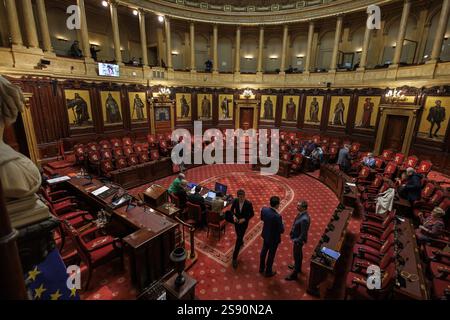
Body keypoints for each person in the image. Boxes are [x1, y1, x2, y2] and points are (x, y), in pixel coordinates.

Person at [260, 196, 284, 277]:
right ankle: (268, 271)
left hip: (265, 235)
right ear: (277, 205)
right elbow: (282, 230)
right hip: (273, 239)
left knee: (263, 251)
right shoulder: (277, 216)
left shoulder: (264, 209)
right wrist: (282, 223)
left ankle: (261, 268)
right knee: (271, 255)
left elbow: (262, 219)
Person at [286, 201, 310, 281]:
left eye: (298, 206)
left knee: (297, 255)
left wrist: (297, 241)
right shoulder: (302, 214)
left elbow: (303, 233)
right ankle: (298, 267)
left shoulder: (304, 219)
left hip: (298, 241)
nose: (297, 207)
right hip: (296, 237)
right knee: (298, 254)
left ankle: (294, 274)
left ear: (303, 207)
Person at [230, 189, 254, 269]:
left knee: (238, 239)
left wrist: (244, 219)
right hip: (236, 222)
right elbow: (231, 210)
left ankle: (234, 258)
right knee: (238, 235)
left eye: (243, 197)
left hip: (244, 224)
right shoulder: (235, 201)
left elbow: (252, 214)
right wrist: (233, 216)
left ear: (244, 196)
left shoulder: (248, 203)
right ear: (238, 197)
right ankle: (241, 241)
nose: (241, 199)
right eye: (240, 197)